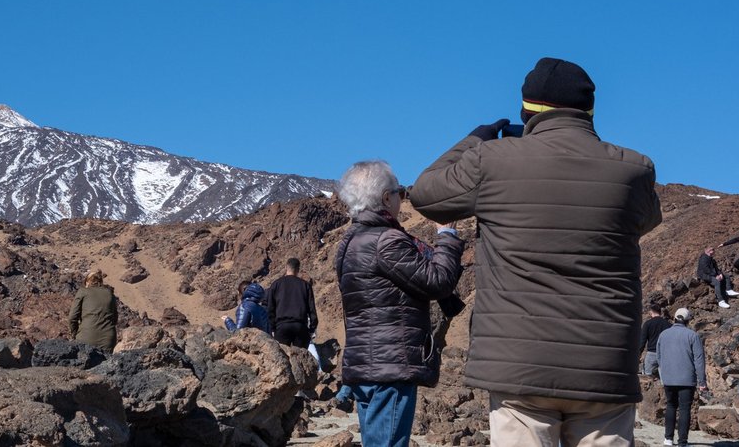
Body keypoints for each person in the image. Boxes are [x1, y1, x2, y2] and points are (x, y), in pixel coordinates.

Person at [410, 57, 661, 447]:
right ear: (589, 111)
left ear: (527, 111)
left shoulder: (491, 160)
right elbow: (646, 221)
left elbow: (426, 195)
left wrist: (475, 139)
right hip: (604, 367)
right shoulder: (634, 170)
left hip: (519, 365)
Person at [335, 160, 463, 447]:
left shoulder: (350, 241)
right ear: (385, 198)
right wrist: (447, 236)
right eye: (399, 192)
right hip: (389, 367)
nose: (402, 199)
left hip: (366, 365)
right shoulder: (386, 241)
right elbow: (438, 281)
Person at [657, 307, 707, 447]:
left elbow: (659, 357)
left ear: (674, 318)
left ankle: (668, 439)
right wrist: (702, 381)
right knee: (685, 409)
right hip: (687, 379)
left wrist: (664, 374)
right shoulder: (692, 335)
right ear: (688, 320)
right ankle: (682, 442)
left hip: (668, 378)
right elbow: (699, 360)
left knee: (671, 406)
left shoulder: (664, 334)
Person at [267, 257, 319, 349]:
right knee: (301, 359)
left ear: (286, 267)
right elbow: (311, 308)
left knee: (283, 358)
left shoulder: (276, 284)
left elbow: (271, 308)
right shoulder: (305, 285)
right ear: (298, 269)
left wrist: (272, 327)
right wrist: (312, 328)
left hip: (282, 326)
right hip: (300, 326)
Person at [69, 269, 118, 352]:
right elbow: (115, 319)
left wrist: (75, 334)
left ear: (88, 282)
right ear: (101, 282)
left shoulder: (83, 291)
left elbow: (72, 317)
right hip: (108, 339)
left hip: (86, 338)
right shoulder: (110, 294)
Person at [641, 302, 671, 378]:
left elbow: (642, 341)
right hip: (664, 353)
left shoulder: (647, 324)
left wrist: (638, 353)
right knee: (665, 378)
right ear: (660, 312)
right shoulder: (668, 324)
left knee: (648, 377)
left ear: (651, 312)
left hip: (651, 353)